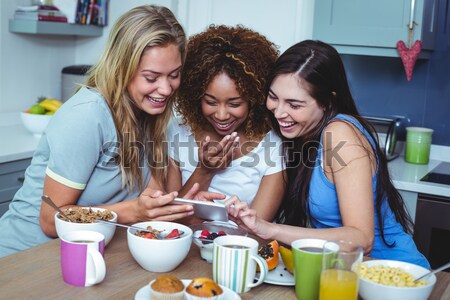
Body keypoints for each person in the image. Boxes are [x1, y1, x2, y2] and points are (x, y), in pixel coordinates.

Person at [0, 5, 216, 258]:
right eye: (151, 77)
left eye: (174, 75)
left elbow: (150, 201)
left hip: (90, 252)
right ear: (122, 68)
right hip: (25, 256)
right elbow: (50, 220)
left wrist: (187, 202)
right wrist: (132, 211)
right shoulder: (87, 116)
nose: (166, 89)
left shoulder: (158, 118)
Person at [227, 40, 430, 268]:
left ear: (327, 101)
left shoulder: (339, 133)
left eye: (294, 104)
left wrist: (269, 229)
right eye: (273, 97)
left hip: (392, 275)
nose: (279, 112)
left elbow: (362, 240)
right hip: (345, 274)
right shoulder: (303, 134)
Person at [166, 25, 285, 222]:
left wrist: (225, 218)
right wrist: (204, 171)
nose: (221, 115)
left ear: (254, 98)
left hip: (240, 250)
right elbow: (172, 221)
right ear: (195, 96)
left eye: (235, 103)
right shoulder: (178, 131)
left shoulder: (273, 144)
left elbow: (260, 232)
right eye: (211, 102)